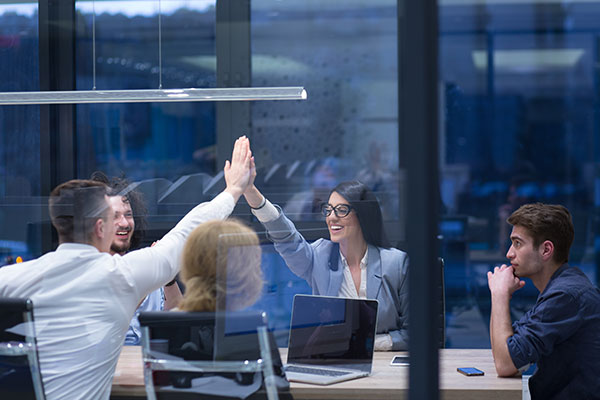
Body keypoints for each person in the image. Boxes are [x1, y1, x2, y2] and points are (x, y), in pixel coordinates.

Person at [0, 136, 253, 400]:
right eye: (112, 218)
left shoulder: (17, 276)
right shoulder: (121, 276)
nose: (121, 224)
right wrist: (233, 190)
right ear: (100, 228)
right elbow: (186, 233)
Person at [244, 178, 409, 351]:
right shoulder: (319, 257)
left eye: (341, 210)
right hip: (334, 362)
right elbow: (287, 239)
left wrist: (368, 344)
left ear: (363, 215)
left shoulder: (396, 263)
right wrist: (252, 194)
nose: (331, 217)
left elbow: (413, 333)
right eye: (328, 210)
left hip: (384, 367)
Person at [487, 203, 600, 399]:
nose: (509, 253)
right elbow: (509, 346)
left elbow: (505, 363)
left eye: (518, 243)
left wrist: (499, 295)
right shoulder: (560, 288)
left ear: (546, 250)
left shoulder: (566, 296)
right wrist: (499, 294)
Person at [91, 172, 183, 344]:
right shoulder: (86, 272)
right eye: (115, 216)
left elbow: (179, 323)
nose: (125, 223)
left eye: (128, 215)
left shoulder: (147, 264)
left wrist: (168, 277)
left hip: (145, 365)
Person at [177, 219, 264, 312]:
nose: (259, 269)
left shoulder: (167, 323)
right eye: (254, 260)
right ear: (239, 271)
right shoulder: (254, 323)